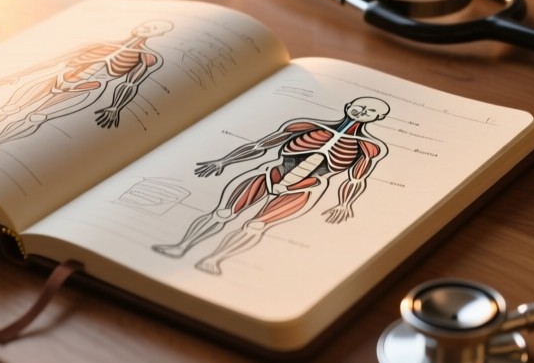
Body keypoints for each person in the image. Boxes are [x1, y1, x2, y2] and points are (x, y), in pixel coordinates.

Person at [153, 96, 390, 274]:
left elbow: (357, 178)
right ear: (348, 107)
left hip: (306, 188)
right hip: (269, 173)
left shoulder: (369, 147)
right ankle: (181, 246)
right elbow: (260, 146)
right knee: (223, 213)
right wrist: (224, 161)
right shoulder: (305, 126)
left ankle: (214, 260)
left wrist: (345, 203)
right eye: (359, 106)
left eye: (371, 111)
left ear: (377, 118)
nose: (362, 112)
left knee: (256, 226)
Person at [0, 20, 172, 158]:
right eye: (148, 24)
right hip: (60, 76)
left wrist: (115, 107)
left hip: (90, 87)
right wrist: (15, 75)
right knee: (11, 107)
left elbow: (130, 82)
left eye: (155, 28)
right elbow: (55, 60)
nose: (148, 28)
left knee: (37, 117)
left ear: (158, 34)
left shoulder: (147, 57)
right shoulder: (98, 45)